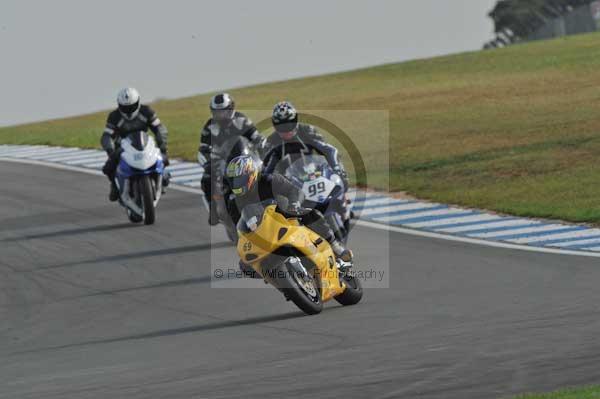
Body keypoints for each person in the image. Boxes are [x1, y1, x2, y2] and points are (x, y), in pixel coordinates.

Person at [226, 155, 353, 267]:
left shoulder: (269, 180)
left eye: (240, 180)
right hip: (261, 233)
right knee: (245, 266)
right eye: (233, 181)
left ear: (251, 174)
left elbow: (295, 191)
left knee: (312, 214)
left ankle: (336, 247)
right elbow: (238, 228)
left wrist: (294, 204)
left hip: (285, 215)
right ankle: (282, 281)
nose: (237, 184)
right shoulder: (233, 202)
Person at [198, 93, 266, 225]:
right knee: (206, 179)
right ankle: (213, 209)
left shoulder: (242, 120)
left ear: (231, 109)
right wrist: (208, 163)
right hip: (222, 162)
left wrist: (264, 150)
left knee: (266, 173)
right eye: (217, 112)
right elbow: (203, 148)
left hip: (244, 159)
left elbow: (257, 138)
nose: (220, 115)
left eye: (223, 111)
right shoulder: (209, 126)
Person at [101, 88, 169, 201]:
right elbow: (106, 136)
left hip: (144, 143)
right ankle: (114, 185)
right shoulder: (114, 116)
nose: (128, 111)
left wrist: (162, 144)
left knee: (164, 158)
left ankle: (163, 178)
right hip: (122, 147)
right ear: (119, 105)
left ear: (137, 102)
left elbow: (159, 128)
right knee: (108, 168)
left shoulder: (146, 111)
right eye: (125, 108)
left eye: (131, 107)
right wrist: (110, 150)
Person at [263, 101, 349, 190]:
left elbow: (329, 150)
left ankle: (342, 198)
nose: (286, 131)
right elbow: (267, 169)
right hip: (289, 185)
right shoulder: (270, 142)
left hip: (315, 176)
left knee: (339, 182)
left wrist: (337, 170)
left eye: (289, 125)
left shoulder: (307, 131)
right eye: (281, 127)